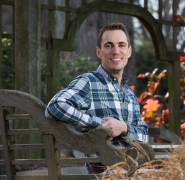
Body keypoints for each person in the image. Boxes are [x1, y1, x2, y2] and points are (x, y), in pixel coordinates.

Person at [45, 22, 149, 174]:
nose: (116, 50)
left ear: (129, 51)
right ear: (99, 52)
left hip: (133, 169)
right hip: (104, 172)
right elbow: (54, 106)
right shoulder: (89, 82)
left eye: (121, 45)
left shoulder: (129, 94)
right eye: (109, 45)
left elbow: (144, 135)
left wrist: (124, 128)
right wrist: (100, 125)